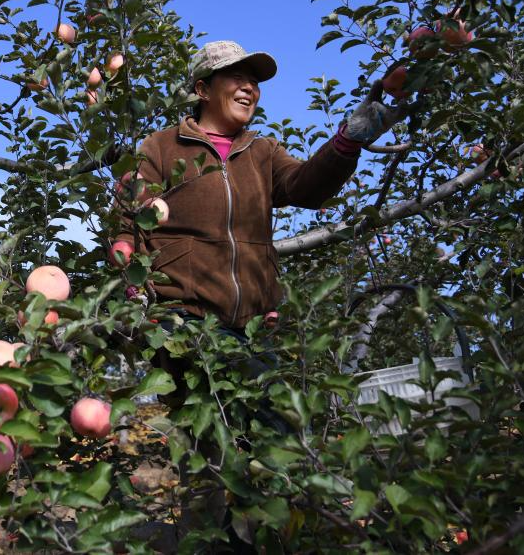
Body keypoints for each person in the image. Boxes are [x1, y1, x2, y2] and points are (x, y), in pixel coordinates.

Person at [113, 40, 407, 551]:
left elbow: (307, 189)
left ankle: (261, 536)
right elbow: (129, 222)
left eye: (255, 79)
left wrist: (348, 141)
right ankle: (225, 539)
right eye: (236, 76)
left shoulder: (263, 151)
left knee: (263, 434)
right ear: (202, 89)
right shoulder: (160, 148)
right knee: (225, 437)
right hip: (183, 321)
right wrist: (134, 284)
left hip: (251, 324)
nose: (250, 86)